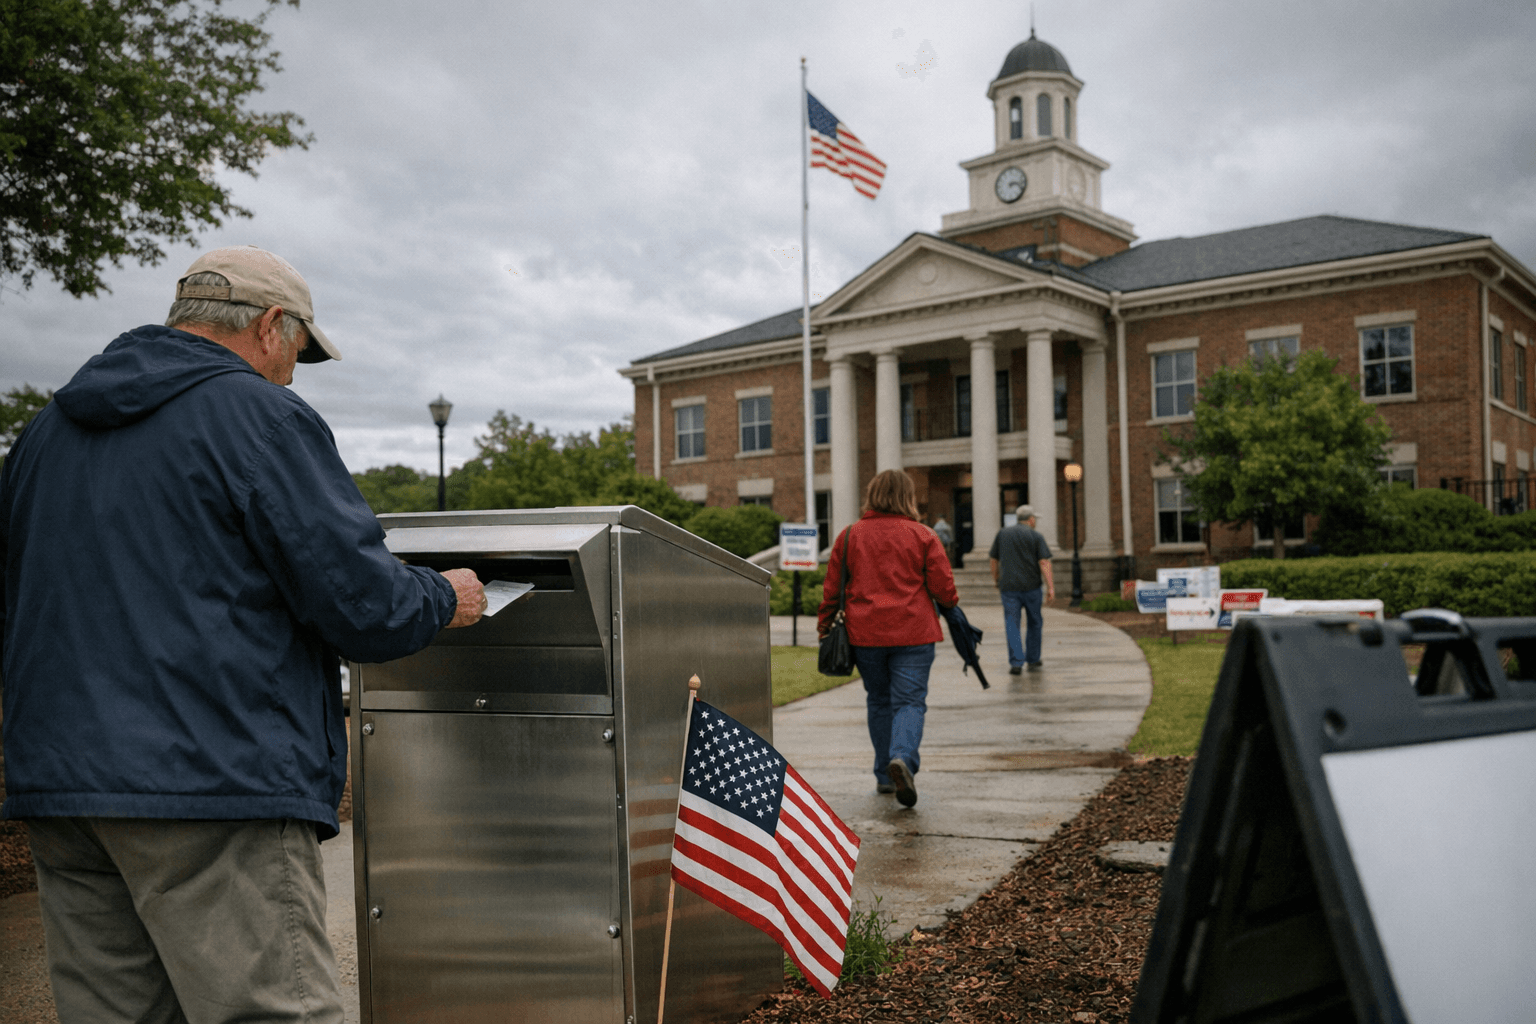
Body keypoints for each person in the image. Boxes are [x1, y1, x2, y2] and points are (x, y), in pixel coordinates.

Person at [0, 245, 488, 1024]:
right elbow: (361, 604)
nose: (294, 372)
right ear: (270, 325)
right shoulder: (259, 416)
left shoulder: (44, 435)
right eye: (299, 351)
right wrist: (446, 596)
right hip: (213, 782)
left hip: (62, 789)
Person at [818, 470, 959, 808]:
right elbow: (944, 589)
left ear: (872, 494)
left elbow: (832, 589)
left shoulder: (850, 535)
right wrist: (950, 604)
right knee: (909, 702)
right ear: (907, 497)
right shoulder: (922, 534)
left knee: (879, 701)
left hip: (865, 635)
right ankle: (903, 759)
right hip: (914, 631)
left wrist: (825, 625)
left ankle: (884, 775)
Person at [990, 503, 1055, 674]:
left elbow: (993, 559)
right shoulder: (1036, 536)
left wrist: (996, 578)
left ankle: (1016, 662)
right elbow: (1044, 562)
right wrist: (1051, 587)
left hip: (1009, 587)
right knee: (1034, 623)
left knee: (1012, 623)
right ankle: (1033, 660)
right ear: (1031, 519)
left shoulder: (1002, 534)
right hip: (1032, 587)